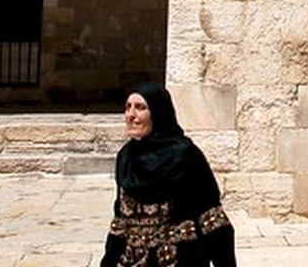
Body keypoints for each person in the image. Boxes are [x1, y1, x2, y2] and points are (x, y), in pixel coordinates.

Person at [101, 81, 238, 267]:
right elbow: (120, 222)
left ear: (158, 113)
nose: (131, 115)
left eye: (140, 108)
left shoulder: (184, 156)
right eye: (128, 107)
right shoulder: (126, 158)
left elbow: (213, 219)